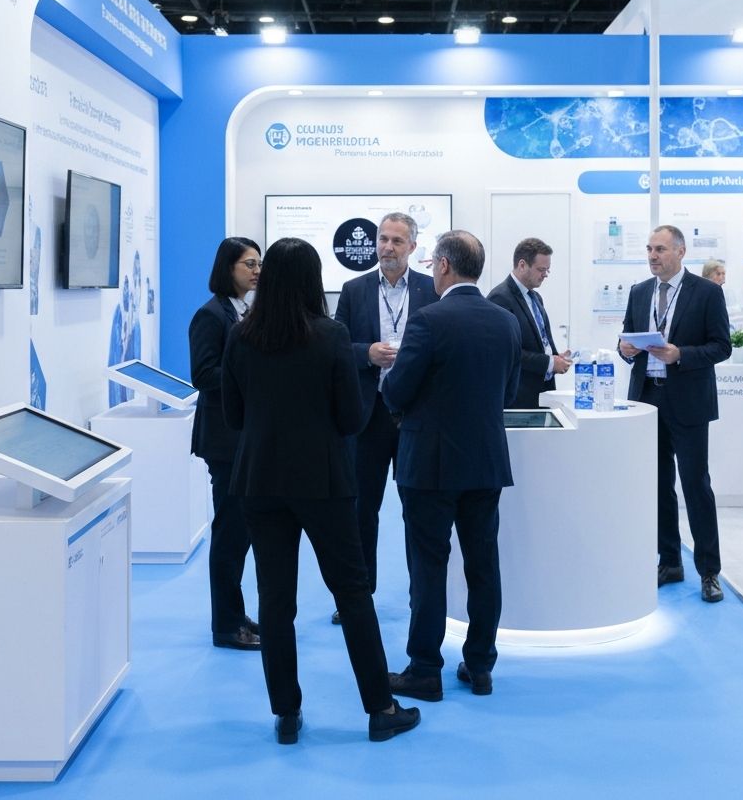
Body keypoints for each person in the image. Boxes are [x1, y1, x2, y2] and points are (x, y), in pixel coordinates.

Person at [221, 237, 420, 745]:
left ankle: (286, 714)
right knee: (353, 593)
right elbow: (352, 418)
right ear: (313, 280)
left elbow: (234, 416)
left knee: (274, 600)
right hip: (324, 482)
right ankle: (380, 707)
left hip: (260, 482)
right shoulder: (330, 336)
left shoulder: (242, 336)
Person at [381, 231, 521, 701]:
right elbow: (507, 393)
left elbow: (395, 390)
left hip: (430, 467)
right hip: (485, 462)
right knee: (483, 565)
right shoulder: (505, 322)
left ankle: (425, 668)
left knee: (428, 567)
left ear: (442, 266)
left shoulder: (428, 321)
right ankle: (480, 665)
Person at [333, 212, 439, 622]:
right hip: (368, 413)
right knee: (362, 509)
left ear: (413, 247)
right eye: (383, 240)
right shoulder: (353, 289)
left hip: (415, 413)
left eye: (397, 241)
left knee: (418, 509)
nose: (387, 248)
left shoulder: (431, 290)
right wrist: (367, 353)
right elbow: (337, 343)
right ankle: (359, 594)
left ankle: (422, 595)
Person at [618, 225, 731, 604]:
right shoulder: (639, 292)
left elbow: (721, 346)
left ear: (681, 252)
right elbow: (625, 338)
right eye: (649, 249)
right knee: (658, 485)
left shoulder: (707, 292)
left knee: (696, 485)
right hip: (647, 399)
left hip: (688, 401)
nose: (653, 255)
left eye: (661, 249)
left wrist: (681, 354)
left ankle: (709, 571)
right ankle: (669, 561)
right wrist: (625, 349)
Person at [189, 237, 262, 651]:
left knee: (241, 532)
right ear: (227, 268)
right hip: (225, 441)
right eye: (248, 264)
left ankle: (236, 614)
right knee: (230, 533)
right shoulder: (210, 315)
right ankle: (226, 625)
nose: (256, 271)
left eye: (259, 264)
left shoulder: (245, 310)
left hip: (245, 439)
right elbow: (204, 375)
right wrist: (254, 383)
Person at [487, 237, 572, 408]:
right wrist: (549, 363)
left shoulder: (535, 297)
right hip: (518, 395)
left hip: (542, 390)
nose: (545, 275)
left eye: (548, 270)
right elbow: (506, 351)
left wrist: (556, 357)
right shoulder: (500, 297)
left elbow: (540, 339)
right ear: (522, 265)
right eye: (541, 269)